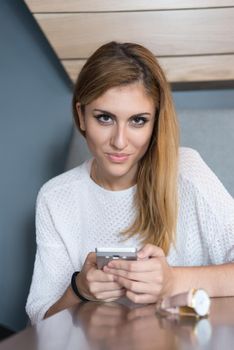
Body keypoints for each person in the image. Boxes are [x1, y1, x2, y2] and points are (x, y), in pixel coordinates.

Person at [26, 41, 234, 325]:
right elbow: (40, 319)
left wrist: (172, 281)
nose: (120, 141)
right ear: (81, 116)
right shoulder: (55, 198)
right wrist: (80, 289)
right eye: (105, 118)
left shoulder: (187, 172)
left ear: (154, 122)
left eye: (138, 120)